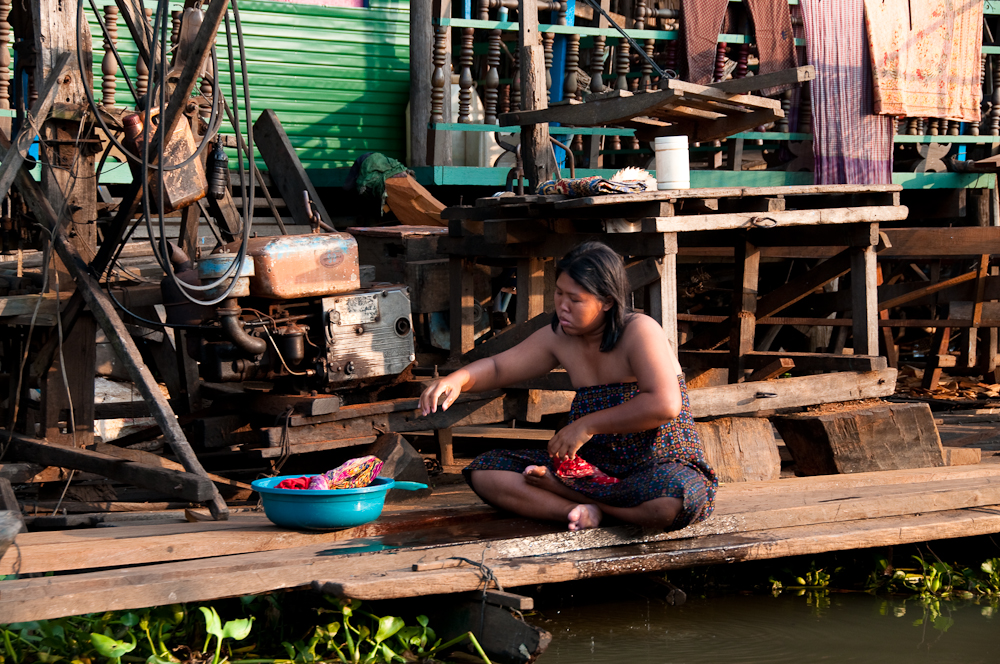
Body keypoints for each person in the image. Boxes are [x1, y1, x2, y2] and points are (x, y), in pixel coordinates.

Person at [419, 242, 717, 532]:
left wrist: (586, 426)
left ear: (608, 301)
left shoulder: (639, 330)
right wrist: (456, 380)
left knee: (671, 502)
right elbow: (499, 367)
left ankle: (581, 500)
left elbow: (664, 405)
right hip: (589, 467)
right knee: (486, 470)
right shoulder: (559, 336)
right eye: (559, 293)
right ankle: (581, 511)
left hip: (656, 464)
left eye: (575, 300)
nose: (562, 306)